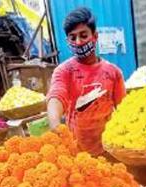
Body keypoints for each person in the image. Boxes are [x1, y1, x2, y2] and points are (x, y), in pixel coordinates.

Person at [47, 7, 126, 155]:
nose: (78, 42)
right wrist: (56, 126)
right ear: (67, 41)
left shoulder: (113, 72)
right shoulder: (64, 71)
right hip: (77, 151)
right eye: (73, 37)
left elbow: (124, 110)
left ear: (95, 36)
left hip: (109, 149)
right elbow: (56, 96)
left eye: (83, 36)